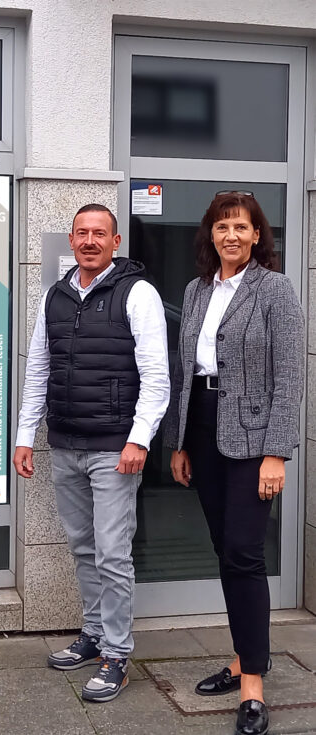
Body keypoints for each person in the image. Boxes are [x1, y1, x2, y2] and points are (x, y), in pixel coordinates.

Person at [13, 203, 169, 703]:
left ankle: (117, 655)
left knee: (112, 553)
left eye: (99, 233)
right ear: (72, 239)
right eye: (81, 232)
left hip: (114, 449)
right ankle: (95, 633)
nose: (89, 240)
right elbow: (39, 369)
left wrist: (139, 439)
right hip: (65, 444)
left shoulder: (137, 293)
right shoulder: (55, 296)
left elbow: (157, 375)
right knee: (83, 548)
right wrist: (25, 434)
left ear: (115, 242)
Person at [164, 192, 304, 735]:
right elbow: (184, 371)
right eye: (222, 227)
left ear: (256, 235)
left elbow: (289, 376)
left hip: (252, 437)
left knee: (245, 553)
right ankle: (245, 656)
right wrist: (179, 442)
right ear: (211, 234)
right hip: (202, 428)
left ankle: (252, 686)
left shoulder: (275, 289)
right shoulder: (196, 290)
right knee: (226, 550)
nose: (231, 236)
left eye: (241, 227)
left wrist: (276, 453)